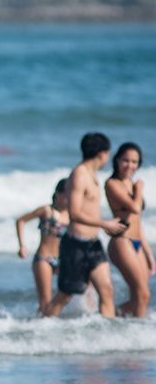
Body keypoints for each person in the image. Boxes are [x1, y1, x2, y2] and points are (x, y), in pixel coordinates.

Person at [43, 133, 126, 319]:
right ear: (102, 153)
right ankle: (40, 327)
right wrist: (104, 223)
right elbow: (74, 213)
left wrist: (102, 225)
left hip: (93, 243)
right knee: (64, 295)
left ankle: (108, 337)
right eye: (107, 153)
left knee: (106, 291)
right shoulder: (79, 174)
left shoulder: (92, 174)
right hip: (76, 245)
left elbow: (89, 210)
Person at [106, 141, 152, 317]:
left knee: (139, 296)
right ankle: (137, 332)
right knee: (143, 294)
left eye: (134, 162)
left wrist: (148, 254)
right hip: (121, 242)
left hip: (136, 242)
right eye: (126, 160)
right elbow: (134, 208)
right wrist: (139, 189)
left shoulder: (131, 183)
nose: (130, 165)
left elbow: (137, 222)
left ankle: (112, 318)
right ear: (117, 160)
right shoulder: (112, 183)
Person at [15, 179, 70, 314]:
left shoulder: (73, 214)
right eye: (66, 194)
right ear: (58, 194)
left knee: (69, 293)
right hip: (44, 258)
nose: (70, 198)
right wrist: (22, 245)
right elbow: (21, 220)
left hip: (63, 259)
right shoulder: (47, 210)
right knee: (45, 302)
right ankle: (41, 329)